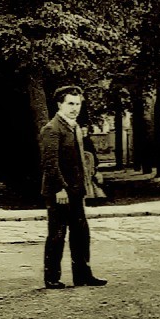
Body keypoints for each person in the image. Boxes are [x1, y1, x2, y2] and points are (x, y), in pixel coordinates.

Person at [39, 84, 108, 289]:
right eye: (70, 103)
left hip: (76, 190)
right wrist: (60, 188)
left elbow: (79, 160)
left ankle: (83, 275)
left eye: (78, 104)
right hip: (59, 191)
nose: (75, 108)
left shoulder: (75, 127)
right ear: (60, 104)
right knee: (57, 234)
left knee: (81, 233)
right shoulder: (52, 129)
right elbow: (50, 163)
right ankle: (51, 278)